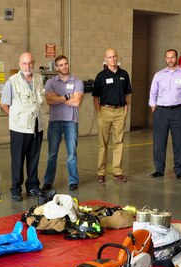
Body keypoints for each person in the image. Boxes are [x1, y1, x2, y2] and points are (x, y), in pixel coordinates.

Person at [0, 52, 46, 201]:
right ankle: (16, 189)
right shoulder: (12, 82)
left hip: (36, 125)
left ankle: (32, 186)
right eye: (25, 63)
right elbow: (4, 104)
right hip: (19, 127)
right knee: (18, 159)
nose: (28, 66)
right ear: (20, 64)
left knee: (34, 158)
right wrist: (16, 118)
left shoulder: (39, 78)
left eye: (30, 63)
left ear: (34, 63)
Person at [149, 49, 181, 180]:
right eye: (168, 58)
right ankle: (159, 169)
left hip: (178, 111)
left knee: (180, 142)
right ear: (165, 59)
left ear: (176, 58)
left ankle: (179, 170)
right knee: (159, 142)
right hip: (161, 111)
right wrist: (154, 109)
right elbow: (153, 94)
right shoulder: (158, 75)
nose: (170, 60)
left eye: (172, 57)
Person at [42, 55, 84, 191]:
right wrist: (67, 96)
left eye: (66, 64)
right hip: (55, 122)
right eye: (61, 65)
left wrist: (57, 98)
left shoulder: (77, 82)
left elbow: (77, 102)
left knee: (72, 153)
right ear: (56, 67)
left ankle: (73, 181)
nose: (64, 66)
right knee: (52, 153)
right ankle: (48, 181)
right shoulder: (50, 83)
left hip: (71, 122)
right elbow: (49, 101)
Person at [92, 48, 131, 183]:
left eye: (114, 56)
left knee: (118, 142)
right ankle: (101, 172)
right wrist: (99, 112)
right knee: (103, 144)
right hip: (105, 111)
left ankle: (117, 172)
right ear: (105, 59)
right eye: (109, 57)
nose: (112, 59)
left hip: (120, 112)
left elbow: (127, 94)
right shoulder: (101, 76)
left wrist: (125, 110)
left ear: (117, 57)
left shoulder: (124, 74)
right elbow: (95, 97)